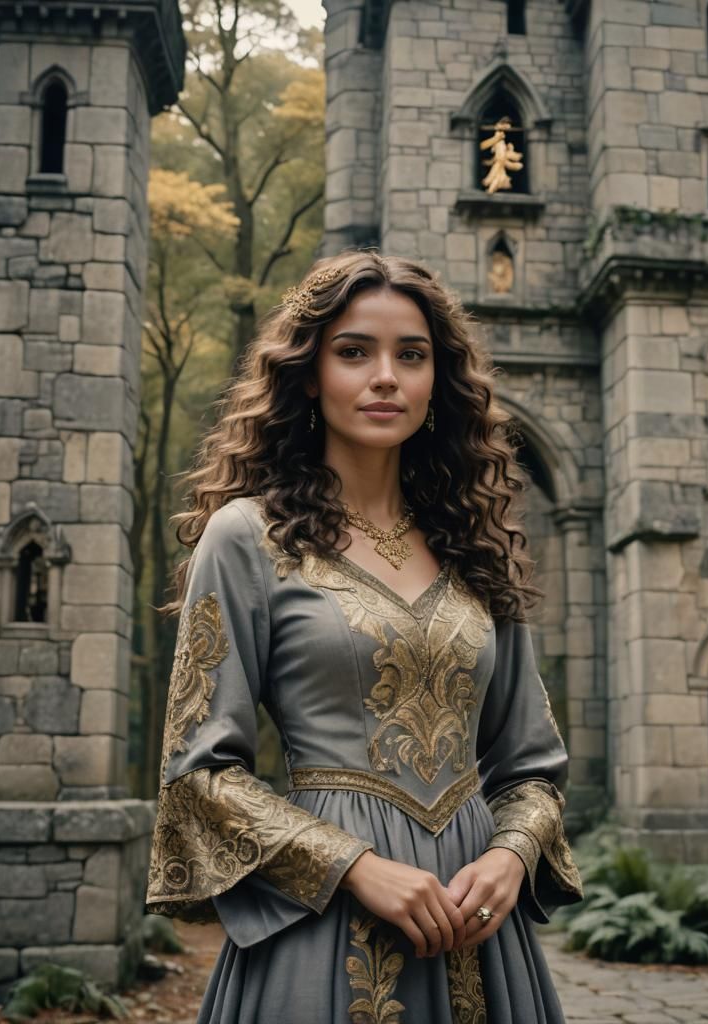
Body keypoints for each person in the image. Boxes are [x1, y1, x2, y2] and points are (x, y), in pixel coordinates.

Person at [144, 251, 584, 1023]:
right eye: (354, 352)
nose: (386, 376)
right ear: (308, 374)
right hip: (324, 931)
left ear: (436, 383)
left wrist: (511, 854)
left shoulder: (477, 547)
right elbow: (198, 773)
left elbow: (533, 771)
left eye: (410, 356)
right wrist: (354, 867)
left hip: (482, 931)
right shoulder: (246, 538)